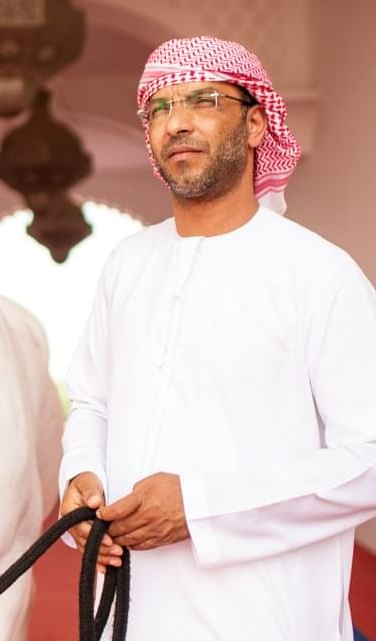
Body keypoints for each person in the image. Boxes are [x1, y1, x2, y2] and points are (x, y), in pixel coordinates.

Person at [59, 35, 376, 640]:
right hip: (127, 613)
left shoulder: (318, 274)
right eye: (158, 107)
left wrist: (200, 508)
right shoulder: (127, 264)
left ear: (257, 123)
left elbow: (369, 460)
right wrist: (78, 479)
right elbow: (92, 401)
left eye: (203, 100)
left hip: (263, 620)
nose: (175, 122)